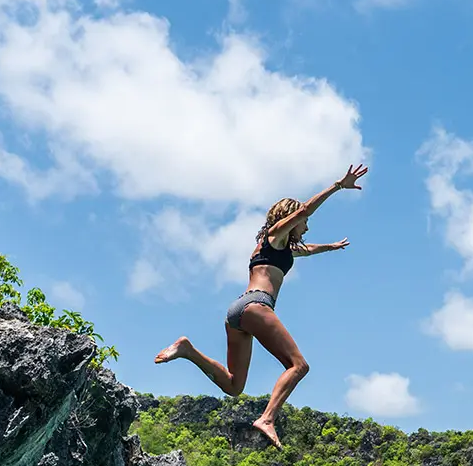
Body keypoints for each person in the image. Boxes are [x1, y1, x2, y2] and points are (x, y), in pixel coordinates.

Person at [155, 163, 367, 448]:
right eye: (302, 223)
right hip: (257, 305)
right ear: (288, 218)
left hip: (237, 313)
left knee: (233, 386)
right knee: (298, 366)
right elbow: (304, 211)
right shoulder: (275, 234)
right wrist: (338, 186)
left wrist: (330, 246)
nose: (306, 226)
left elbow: (306, 249)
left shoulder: (277, 248)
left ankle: (187, 350)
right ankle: (267, 419)